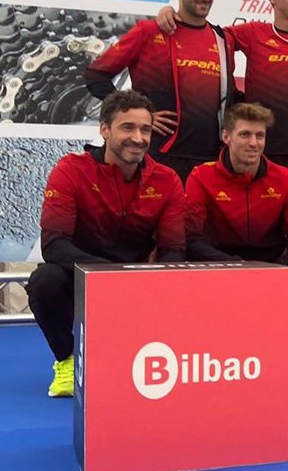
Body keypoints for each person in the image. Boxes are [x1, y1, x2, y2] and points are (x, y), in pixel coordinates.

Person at [157, 0, 288, 251]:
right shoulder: (252, 33)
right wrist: (169, 12)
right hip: (264, 151)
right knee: (256, 234)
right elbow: (206, 34)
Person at [27, 90, 186, 397]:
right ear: (104, 129)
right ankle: (67, 360)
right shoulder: (71, 170)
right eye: (128, 127)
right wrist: (109, 275)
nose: (138, 138)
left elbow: (173, 250)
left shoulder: (167, 180)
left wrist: (152, 285)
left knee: (181, 276)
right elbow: (54, 245)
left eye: (145, 130)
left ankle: (151, 352)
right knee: (44, 280)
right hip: (80, 278)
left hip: (137, 284)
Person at [184, 103, 288, 358]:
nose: (253, 143)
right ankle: (228, 336)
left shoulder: (285, 178)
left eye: (259, 135)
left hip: (271, 267)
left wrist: (271, 272)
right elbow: (191, 239)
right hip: (220, 267)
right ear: (226, 136)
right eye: (245, 134)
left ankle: (275, 333)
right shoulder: (201, 176)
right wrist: (236, 266)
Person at [86, 0, 237, 182]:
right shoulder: (150, 32)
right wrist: (139, 115)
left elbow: (231, 99)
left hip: (209, 161)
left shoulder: (223, 39)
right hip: (157, 158)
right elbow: (96, 76)